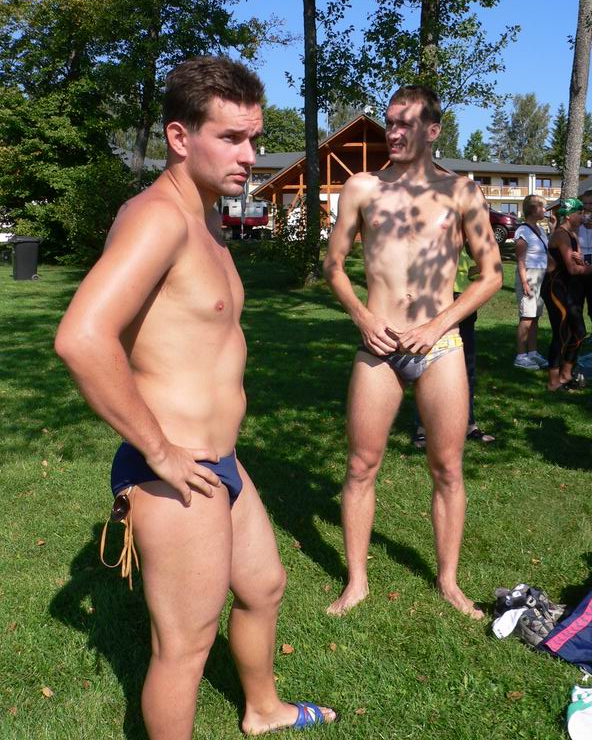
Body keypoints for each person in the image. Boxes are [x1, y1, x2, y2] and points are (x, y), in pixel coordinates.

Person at [55, 57, 336, 739]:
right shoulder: (158, 219)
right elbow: (81, 338)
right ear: (180, 138)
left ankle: (262, 709)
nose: (250, 155)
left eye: (254, 137)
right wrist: (157, 450)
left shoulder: (204, 218)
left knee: (264, 587)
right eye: (231, 138)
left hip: (221, 460)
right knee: (183, 648)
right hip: (176, 468)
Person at [323, 85, 502, 619]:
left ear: (433, 130)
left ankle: (449, 581)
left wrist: (440, 322)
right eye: (390, 122)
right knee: (361, 465)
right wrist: (363, 316)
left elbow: (491, 275)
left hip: (439, 345)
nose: (393, 132)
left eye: (405, 124)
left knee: (447, 467)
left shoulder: (462, 192)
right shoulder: (362, 188)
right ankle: (356, 581)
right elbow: (334, 266)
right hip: (377, 345)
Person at [412, 245, 495, 448]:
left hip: (463, 305)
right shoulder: (432, 240)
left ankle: (469, 424)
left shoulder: (465, 243)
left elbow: (472, 272)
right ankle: (423, 428)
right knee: (428, 367)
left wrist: (478, 270)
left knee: (467, 368)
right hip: (436, 304)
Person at [541, 198, 592, 391]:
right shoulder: (561, 235)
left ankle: (566, 374)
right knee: (561, 332)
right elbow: (572, 269)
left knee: (579, 331)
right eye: (579, 213)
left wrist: (582, 262)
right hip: (555, 288)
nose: (583, 216)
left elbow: (579, 264)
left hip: (568, 289)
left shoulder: (572, 234)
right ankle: (553, 381)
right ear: (569, 215)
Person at [513, 194, 549, 370]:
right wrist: (524, 282)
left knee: (535, 317)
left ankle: (533, 353)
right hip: (528, 276)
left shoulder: (540, 230)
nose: (545, 210)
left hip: (541, 276)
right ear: (533, 210)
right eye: (542, 207)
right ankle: (521, 356)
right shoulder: (523, 231)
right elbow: (520, 260)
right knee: (527, 317)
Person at [577, 189, 592, 331]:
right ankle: (579, 334)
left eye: (590, 203)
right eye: (585, 204)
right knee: (577, 301)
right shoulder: (577, 219)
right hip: (579, 259)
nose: (587, 207)